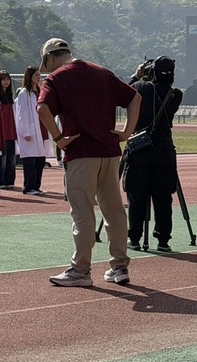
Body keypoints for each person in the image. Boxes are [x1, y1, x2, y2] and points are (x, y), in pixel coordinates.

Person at [38, 38, 141, 287]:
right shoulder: (101, 72)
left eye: (47, 64)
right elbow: (134, 97)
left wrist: (59, 139)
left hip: (81, 153)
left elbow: (42, 108)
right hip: (109, 151)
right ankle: (119, 267)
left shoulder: (57, 79)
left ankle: (81, 270)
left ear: (52, 58)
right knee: (114, 209)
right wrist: (126, 133)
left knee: (83, 213)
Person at [123, 56, 183, 252]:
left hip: (140, 149)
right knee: (164, 196)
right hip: (165, 150)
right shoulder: (176, 94)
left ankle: (135, 238)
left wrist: (137, 74)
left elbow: (126, 93)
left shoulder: (142, 87)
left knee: (137, 195)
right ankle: (163, 239)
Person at [15, 66, 48, 196]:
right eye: (36, 75)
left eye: (39, 75)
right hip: (30, 131)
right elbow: (21, 115)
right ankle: (29, 187)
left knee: (40, 160)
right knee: (30, 161)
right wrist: (26, 132)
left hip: (40, 128)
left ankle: (36, 186)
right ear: (29, 77)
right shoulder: (24, 93)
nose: (39, 77)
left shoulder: (39, 91)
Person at [0, 70, 17, 189]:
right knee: (2, 157)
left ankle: (10, 180)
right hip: (2, 131)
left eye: (8, 79)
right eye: (3, 79)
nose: (6, 82)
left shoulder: (10, 96)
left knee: (11, 157)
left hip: (11, 130)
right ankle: (1, 180)